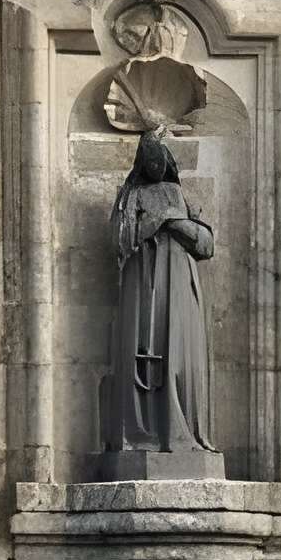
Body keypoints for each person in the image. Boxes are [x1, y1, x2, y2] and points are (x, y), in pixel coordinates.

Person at [104, 129, 216, 463]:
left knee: (181, 354)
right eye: (148, 155)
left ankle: (183, 432)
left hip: (179, 285)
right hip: (144, 284)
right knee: (143, 352)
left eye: (159, 155)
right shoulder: (130, 197)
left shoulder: (179, 195)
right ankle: (143, 433)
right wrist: (155, 221)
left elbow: (206, 243)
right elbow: (119, 239)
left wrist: (173, 222)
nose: (154, 163)